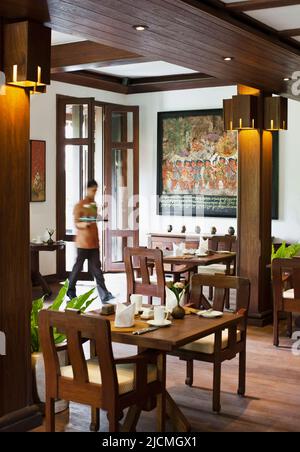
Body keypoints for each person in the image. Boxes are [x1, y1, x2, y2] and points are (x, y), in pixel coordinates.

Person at [67, 180, 114, 304]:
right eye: (93, 190)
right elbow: (77, 223)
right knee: (78, 268)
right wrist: (85, 223)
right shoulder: (80, 205)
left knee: (97, 270)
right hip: (83, 243)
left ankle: (104, 294)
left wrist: (101, 218)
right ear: (87, 189)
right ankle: (70, 291)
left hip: (94, 243)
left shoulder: (93, 204)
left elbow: (94, 217)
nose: (94, 193)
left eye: (96, 190)